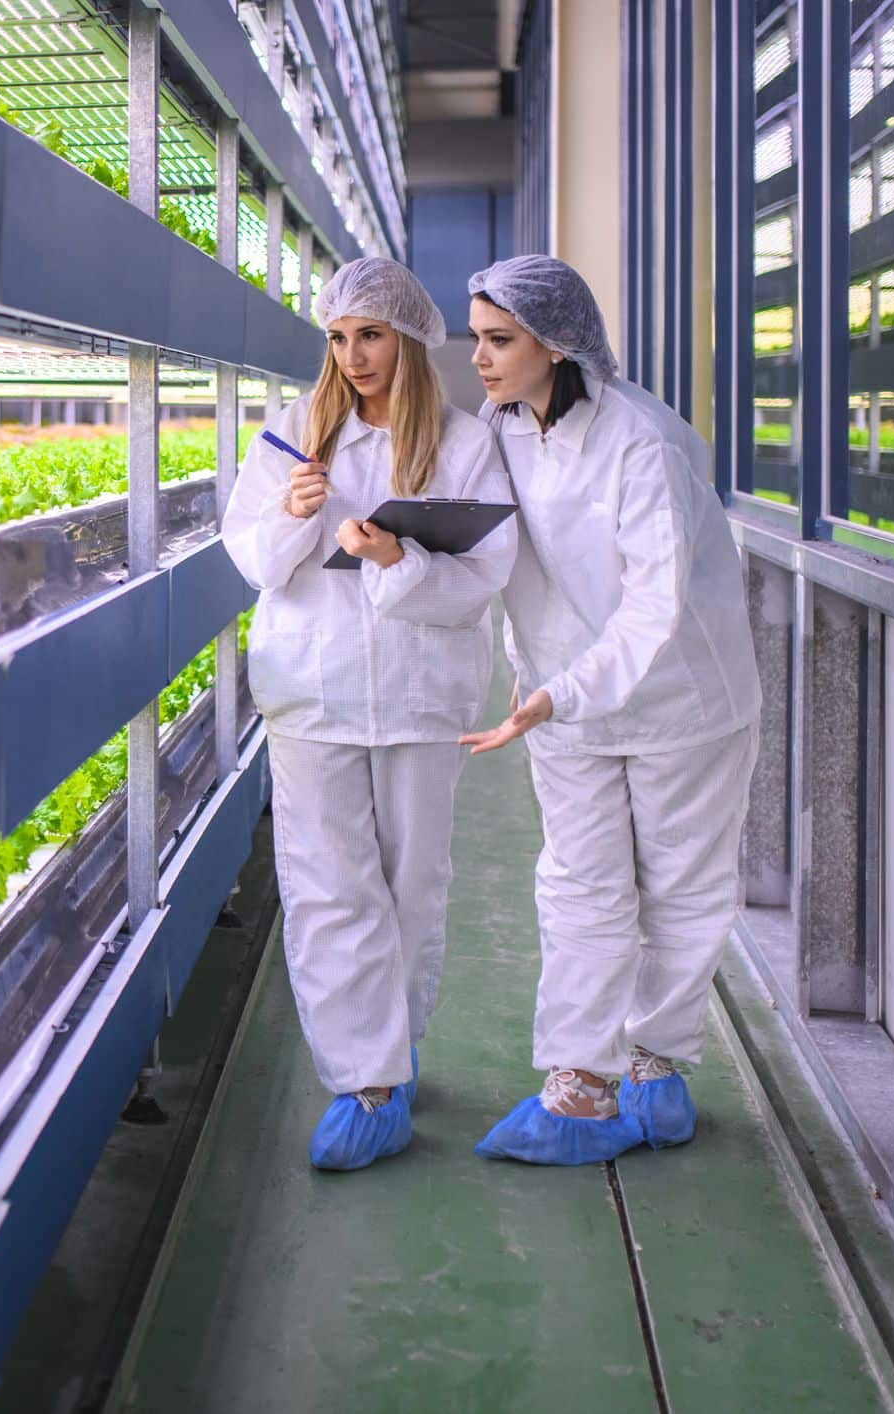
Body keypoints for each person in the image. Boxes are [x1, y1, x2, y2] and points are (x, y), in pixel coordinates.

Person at [458, 255, 762, 1165]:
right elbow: (508, 558)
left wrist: (560, 690)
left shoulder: (642, 442)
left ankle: (656, 1068)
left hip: (683, 703)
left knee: (679, 891)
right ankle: (578, 1086)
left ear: (557, 344)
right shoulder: (501, 426)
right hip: (562, 705)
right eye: (474, 337)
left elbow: (651, 606)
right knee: (578, 885)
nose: (477, 357)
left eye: (498, 340)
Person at [223, 256, 517, 1172]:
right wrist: (294, 516)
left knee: (409, 883)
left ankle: (392, 1040)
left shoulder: (464, 444)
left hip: (423, 697)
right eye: (339, 338)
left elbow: (485, 577)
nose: (353, 355)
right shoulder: (286, 436)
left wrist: (396, 561)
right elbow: (253, 560)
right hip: (311, 692)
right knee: (326, 888)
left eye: (371, 336)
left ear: (410, 339)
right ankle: (367, 1085)